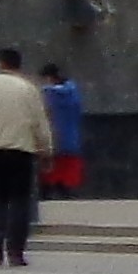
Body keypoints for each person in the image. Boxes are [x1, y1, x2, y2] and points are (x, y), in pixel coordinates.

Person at [0, 48, 55, 265]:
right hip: (22, 150)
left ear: (0, 63)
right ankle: (16, 251)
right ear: (18, 65)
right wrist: (46, 151)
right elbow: (39, 123)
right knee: (20, 201)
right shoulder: (29, 89)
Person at [39, 59, 90, 207]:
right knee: (67, 174)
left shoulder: (47, 94)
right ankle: (65, 192)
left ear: (49, 77)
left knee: (48, 173)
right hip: (70, 139)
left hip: (52, 139)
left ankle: (50, 191)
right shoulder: (73, 92)